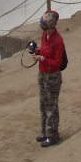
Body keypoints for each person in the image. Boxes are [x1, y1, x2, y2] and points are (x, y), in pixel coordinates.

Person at [32, 10, 65, 147]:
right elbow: (43, 51)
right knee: (43, 104)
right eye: (42, 27)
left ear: (51, 27)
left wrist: (42, 58)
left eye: (44, 28)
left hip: (52, 77)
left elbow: (57, 63)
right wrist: (36, 51)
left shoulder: (58, 40)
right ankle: (45, 132)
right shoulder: (44, 37)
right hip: (42, 74)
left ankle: (53, 135)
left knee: (51, 107)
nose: (42, 30)